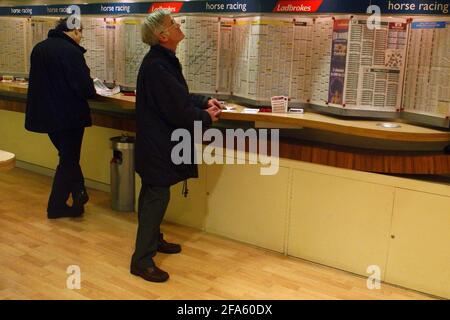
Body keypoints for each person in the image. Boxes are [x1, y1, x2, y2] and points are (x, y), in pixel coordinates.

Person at [131, 10, 222, 283]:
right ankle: (141, 260)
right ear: (163, 36)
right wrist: (206, 117)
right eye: (172, 23)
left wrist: (204, 101)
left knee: (154, 194)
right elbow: (176, 109)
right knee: (155, 198)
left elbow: (179, 96)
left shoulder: (163, 61)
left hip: (158, 143)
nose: (177, 25)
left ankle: (154, 240)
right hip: (158, 145)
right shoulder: (158, 65)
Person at [25, 17, 96, 219]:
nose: (81, 37)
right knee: (69, 158)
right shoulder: (72, 52)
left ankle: (77, 194)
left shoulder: (40, 48)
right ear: (74, 31)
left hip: (46, 116)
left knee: (67, 157)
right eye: (81, 32)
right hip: (69, 115)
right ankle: (57, 206)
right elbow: (85, 88)